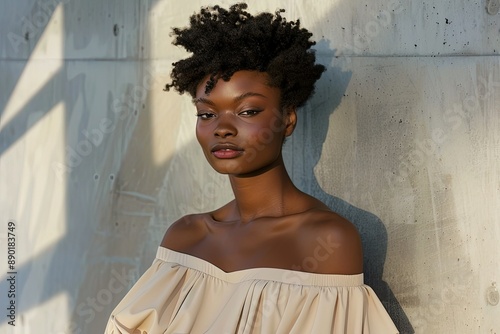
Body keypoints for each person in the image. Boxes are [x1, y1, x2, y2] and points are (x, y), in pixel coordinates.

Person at [105, 3, 398, 333]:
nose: (222, 128)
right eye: (206, 114)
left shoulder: (325, 240)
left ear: (288, 119)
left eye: (246, 111)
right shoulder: (184, 238)